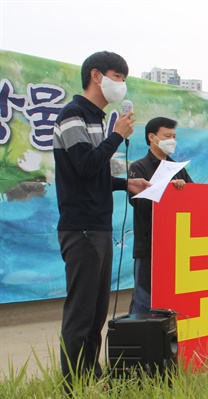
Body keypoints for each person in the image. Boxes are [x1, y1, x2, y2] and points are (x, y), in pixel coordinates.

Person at [53, 51, 150, 389]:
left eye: (124, 79)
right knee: (80, 312)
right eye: (118, 77)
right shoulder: (73, 115)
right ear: (96, 76)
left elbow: (95, 174)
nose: (121, 86)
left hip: (98, 226)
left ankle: (92, 376)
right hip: (80, 227)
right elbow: (83, 165)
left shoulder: (97, 118)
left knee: (96, 312)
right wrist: (117, 136)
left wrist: (126, 184)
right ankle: (72, 386)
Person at [128, 117, 194, 315]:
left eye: (174, 136)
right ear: (152, 137)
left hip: (177, 245)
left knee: (172, 302)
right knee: (144, 300)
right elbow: (138, 202)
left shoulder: (178, 169)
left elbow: (194, 197)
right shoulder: (139, 167)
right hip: (150, 247)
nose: (172, 140)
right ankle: (137, 342)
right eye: (167, 136)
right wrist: (167, 189)